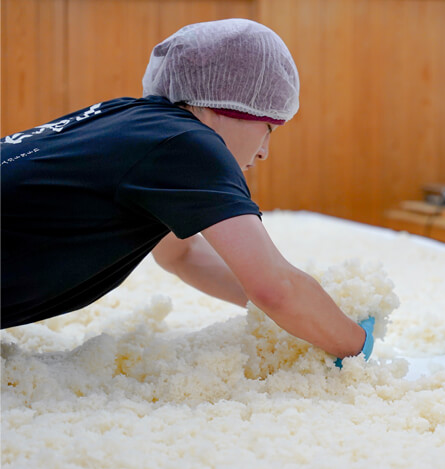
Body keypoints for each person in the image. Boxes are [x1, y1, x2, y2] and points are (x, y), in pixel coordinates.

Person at [1, 19, 374, 363]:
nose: (263, 151)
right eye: (269, 127)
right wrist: (359, 346)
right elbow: (276, 288)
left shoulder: (129, 120)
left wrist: (311, 316)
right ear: (235, 105)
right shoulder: (189, 145)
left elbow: (182, 254)